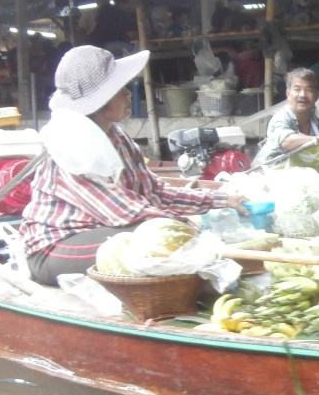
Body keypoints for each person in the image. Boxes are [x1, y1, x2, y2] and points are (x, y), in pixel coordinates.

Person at [18, 45, 248, 286]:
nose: (129, 94)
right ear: (101, 102)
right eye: (121, 90)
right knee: (148, 243)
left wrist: (219, 199)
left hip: (99, 230)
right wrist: (188, 227)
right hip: (53, 248)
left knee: (161, 240)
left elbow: (154, 192)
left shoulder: (117, 137)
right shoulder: (72, 146)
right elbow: (124, 211)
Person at [253, 67, 319, 176]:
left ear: (316, 96)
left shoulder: (315, 124)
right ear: (288, 94)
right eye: (297, 89)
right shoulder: (282, 117)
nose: (302, 95)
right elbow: (284, 140)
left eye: (308, 90)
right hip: (273, 179)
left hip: (304, 181)